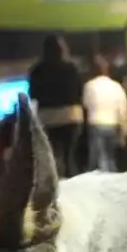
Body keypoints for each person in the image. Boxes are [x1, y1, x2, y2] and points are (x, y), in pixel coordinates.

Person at [28, 35, 84, 177]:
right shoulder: (71, 68)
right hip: (71, 115)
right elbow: (79, 91)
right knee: (70, 155)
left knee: (52, 155)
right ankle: (72, 181)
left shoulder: (37, 70)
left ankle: (56, 182)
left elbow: (33, 94)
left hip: (47, 117)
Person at [82, 55, 127, 173]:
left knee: (97, 157)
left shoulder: (89, 85)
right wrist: (123, 126)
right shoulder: (115, 86)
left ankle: (100, 179)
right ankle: (111, 176)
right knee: (110, 156)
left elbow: (86, 104)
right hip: (112, 123)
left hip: (95, 122)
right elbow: (123, 107)